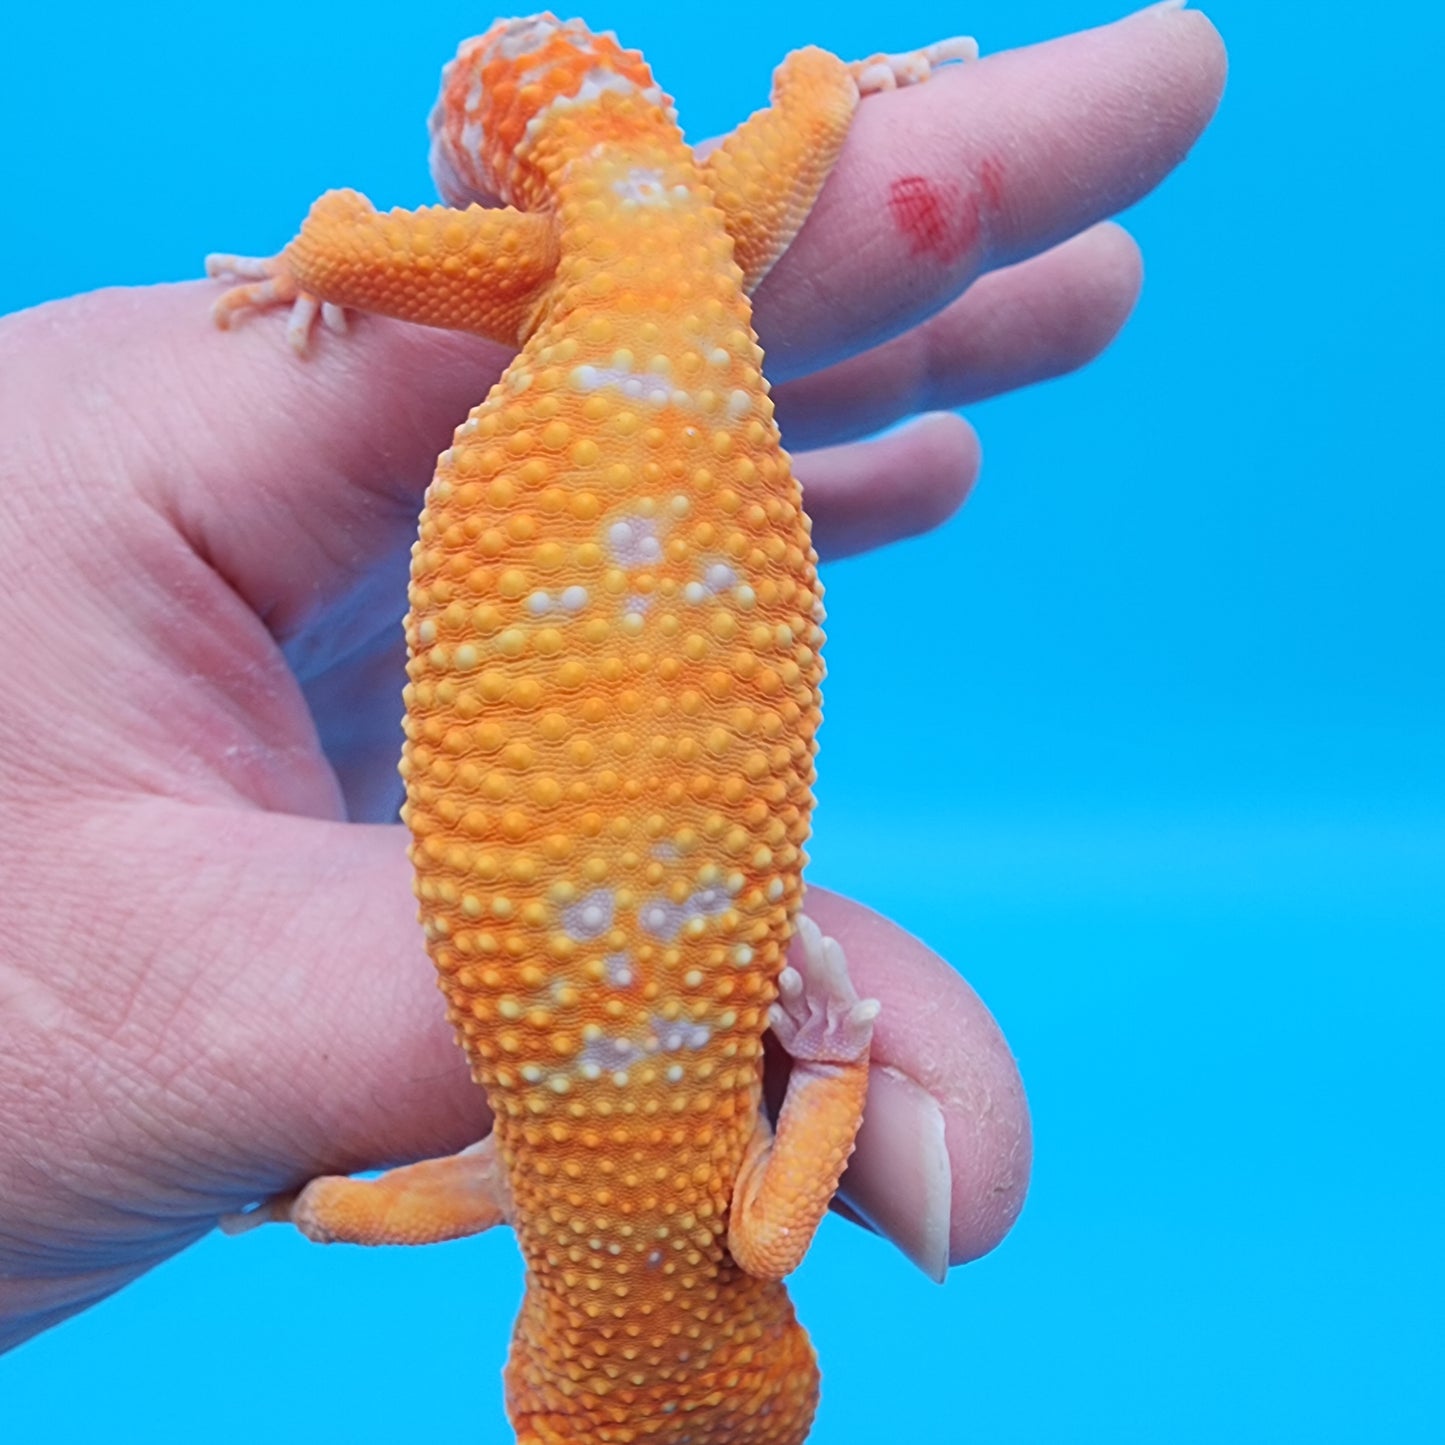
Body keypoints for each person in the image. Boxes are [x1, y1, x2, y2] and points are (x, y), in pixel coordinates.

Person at [0, 4, 1225, 1351]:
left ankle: (827, 77)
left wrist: (820, 1048)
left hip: (624, 299)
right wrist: (299, 1198)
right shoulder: (525, 1175)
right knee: (389, 244)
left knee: (808, 123)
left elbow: (426, 1202)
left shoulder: (744, 1226)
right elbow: (381, 1207)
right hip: (604, 310)